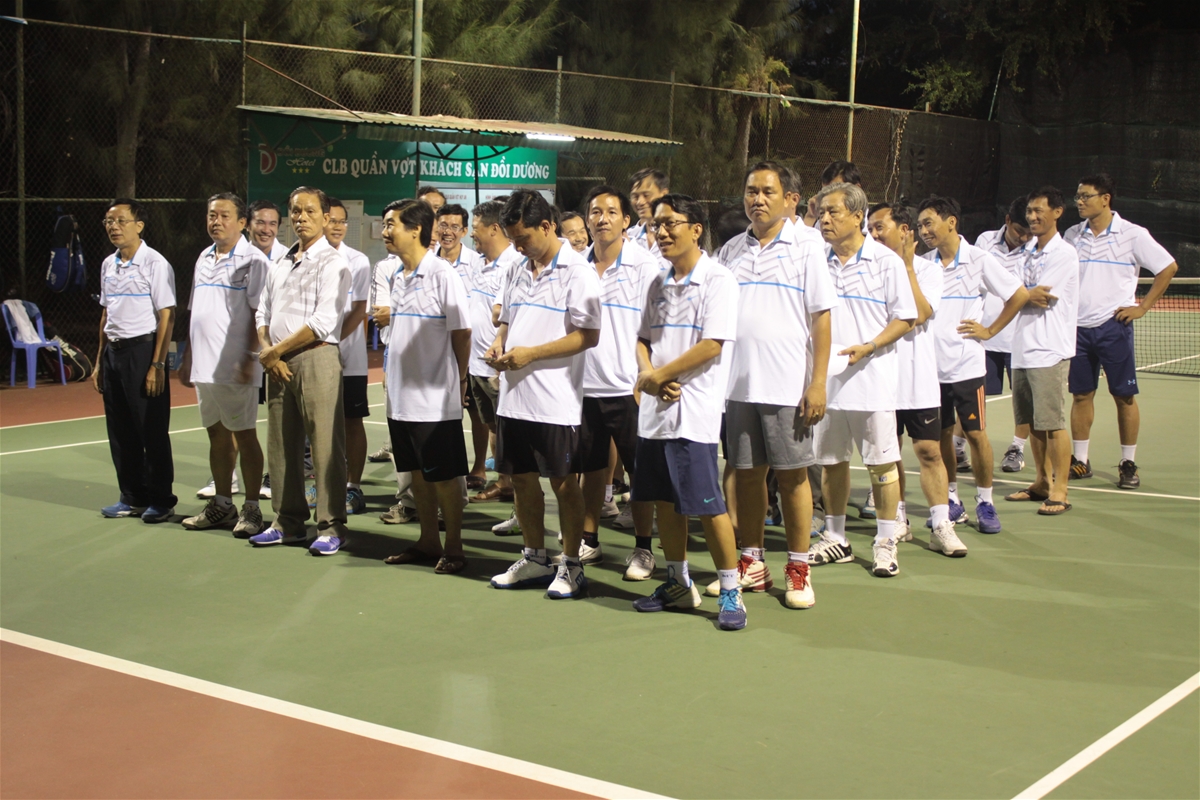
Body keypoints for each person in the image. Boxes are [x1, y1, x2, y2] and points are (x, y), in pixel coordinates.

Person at [715, 162, 837, 610]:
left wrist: (818, 382)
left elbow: (821, 319)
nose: (757, 199)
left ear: (789, 199)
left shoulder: (807, 249)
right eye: (751, 191)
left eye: (767, 191)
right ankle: (753, 561)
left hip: (788, 387)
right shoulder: (730, 251)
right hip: (738, 387)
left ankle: (799, 567)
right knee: (747, 476)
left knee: (792, 478)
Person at [630, 193, 746, 630]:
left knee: (707, 505)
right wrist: (650, 375)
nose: (661, 232)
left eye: (670, 223)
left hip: (693, 413)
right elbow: (642, 340)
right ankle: (678, 583)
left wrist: (660, 376)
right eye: (656, 225)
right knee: (665, 502)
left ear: (696, 229)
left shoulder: (719, 280)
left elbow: (712, 344)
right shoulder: (656, 282)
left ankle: (731, 590)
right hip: (655, 413)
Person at [486, 189, 601, 599]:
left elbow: (588, 335)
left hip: (555, 401)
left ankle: (571, 564)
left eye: (524, 238)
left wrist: (531, 354)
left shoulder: (578, 272)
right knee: (521, 480)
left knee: (564, 484)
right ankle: (534, 557)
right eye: (513, 240)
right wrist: (500, 342)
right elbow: (507, 319)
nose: (518, 247)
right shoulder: (517, 268)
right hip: (514, 397)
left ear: (548, 226)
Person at [807, 182, 917, 577]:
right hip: (826, 385)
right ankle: (836, 537)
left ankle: (886, 542)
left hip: (872, 383)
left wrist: (869, 346)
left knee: (882, 466)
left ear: (858, 217)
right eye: (821, 212)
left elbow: (906, 318)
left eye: (832, 212)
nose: (824, 219)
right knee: (832, 463)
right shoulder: (814, 260)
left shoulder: (886, 262)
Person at [915, 195, 1028, 534]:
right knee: (942, 438)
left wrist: (990, 331)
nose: (923, 231)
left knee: (976, 435)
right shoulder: (924, 265)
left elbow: (1019, 295)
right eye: (920, 226)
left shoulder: (980, 260)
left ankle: (985, 502)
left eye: (928, 223)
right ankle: (951, 499)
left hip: (967, 368)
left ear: (951, 221)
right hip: (931, 370)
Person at [249, 186, 352, 554]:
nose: (301, 218)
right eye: (295, 211)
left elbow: (323, 322)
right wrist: (270, 352)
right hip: (277, 364)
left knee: (324, 446)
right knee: (280, 446)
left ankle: (331, 526)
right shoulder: (280, 262)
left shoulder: (334, 263)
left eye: (309, 211)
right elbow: (262, 311)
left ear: (325, 217)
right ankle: (288, 522)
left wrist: (275, 351)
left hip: (316, 359)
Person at [372, 199, 473, 574]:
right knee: (416, 474)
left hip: (434, 400)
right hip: (400, 399)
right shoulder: (398, 275)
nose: (385, 231)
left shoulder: (442, 274)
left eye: (391, 224)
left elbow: (462, 333)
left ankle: (455, 547)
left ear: (416, 229)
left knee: (444, 477)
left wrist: (459, 380)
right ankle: (429, 541)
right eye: (385, 224)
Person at [1063, 173, 1178, 489]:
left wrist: (1142, 307)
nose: (1079, 202)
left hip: (1114, 328)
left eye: (1085, 196)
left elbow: (1168, 267)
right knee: (1081, 395)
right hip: (1077, 330)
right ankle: (1081, 461)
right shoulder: (1072, 235)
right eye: (1077, 196)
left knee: (1124, 397)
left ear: (1105, 199)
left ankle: (1128, 463)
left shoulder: (1133, 235)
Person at [867, 202, 966, 556]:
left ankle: (941, 525)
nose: (874, 234)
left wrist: (907, 266)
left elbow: (921, 313)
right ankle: (898, 518)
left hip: (919, 380)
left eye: (880, 227)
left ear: (904, 230)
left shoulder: (928, 270)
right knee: (888, 453)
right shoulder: (870, 270)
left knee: (929, 451)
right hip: (881, 377)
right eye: (871, 229)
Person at [577, 184, 662, 580]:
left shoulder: (645, 266)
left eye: (611, 212)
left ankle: (643, 549)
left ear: (626, 221)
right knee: (591, 470)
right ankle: (588, 539)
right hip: (584, 387)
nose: (602, 219)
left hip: (631, 388)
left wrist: (648, 375)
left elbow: (657, 326)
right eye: (595, 212)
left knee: (639, 472)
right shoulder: (576, 266)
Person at [178, 193, 268, 537]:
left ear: (242, 223)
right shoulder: (204, 257)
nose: (216, 221)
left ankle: (252, 509)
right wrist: (188, 356)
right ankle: (222, 504)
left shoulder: (254, 260)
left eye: (224, 215)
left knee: (244, 434)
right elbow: (196, 311)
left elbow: (259, 313)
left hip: (235, 366)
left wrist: (249, 358)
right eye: (211, 215)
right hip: (204, 366)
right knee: (216, 433)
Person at [93, 198, 178, 522]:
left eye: (121, 221)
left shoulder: (155, 263)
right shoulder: (108, 264)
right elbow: (106, 314)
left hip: (143, 353)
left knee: (151, 430)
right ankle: (131, 497)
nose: (113, 227)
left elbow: (167, 315)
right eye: (108, 221)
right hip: (113, 354)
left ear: (139, 226)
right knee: (120, 431)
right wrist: (99, 362)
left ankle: (161, 500)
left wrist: (157, 365)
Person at [1004, 187, 1080, 515]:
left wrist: (1018, 293)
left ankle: (1060, 490)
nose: (1032, 217)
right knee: (1033, 423)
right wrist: (1021, 293)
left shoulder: (1064, 254)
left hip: (1049, 350)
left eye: (1039, 211)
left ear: (1057, 212)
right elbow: (1016, 293)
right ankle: (1041, 482)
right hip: (1021, 348)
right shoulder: (1026, 251)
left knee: (1053, 424)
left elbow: (1040, 297)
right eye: (1029, 211)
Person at [464, 198, 523, 518]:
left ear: (494, 228)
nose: (472, 234)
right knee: (492, 425)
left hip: (498, 366)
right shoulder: (479, 263)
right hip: (477, 362)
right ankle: (505, 482)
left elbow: (508, 316)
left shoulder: (514, 263)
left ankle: (519, 491)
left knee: (509, 429)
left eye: (476, 228)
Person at [976, 196, 1034, 472]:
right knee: (974, 397)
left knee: (1023, 401)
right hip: (984, 337)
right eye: (1019, 231)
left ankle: (1016, 448)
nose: (1024, 238)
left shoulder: (1036, 248)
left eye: (1028, 233)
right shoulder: (984, 241)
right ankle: (960, 446)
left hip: (1020, 339)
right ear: (1007, 220)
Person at [434, 202, 490, 489]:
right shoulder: (428, 262)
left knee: (476, 412)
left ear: (465, 231)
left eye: (455, 227)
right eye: (443, 225)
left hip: (469, 349)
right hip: (436, 349)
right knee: (440, 413)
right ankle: (448, 467)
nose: (448, 232)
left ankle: (479, 467)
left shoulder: (477, 263)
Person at [323, 198, 372, 515]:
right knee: (320, 424)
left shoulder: (358, 261)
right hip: (314, 357)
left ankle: (353, 486)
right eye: (333, 220)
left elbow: (358, 311)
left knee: (352, 421)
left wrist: (330, 342)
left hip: (348, 358)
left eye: (343, 221)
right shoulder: (303, 258)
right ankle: (327, 483)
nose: (339, 226)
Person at [627, 168, 670, 256]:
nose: (640, 202)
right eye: (635, 196)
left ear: (664, 194)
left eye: (646, 195)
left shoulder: (679, 234)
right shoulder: (628, 237)